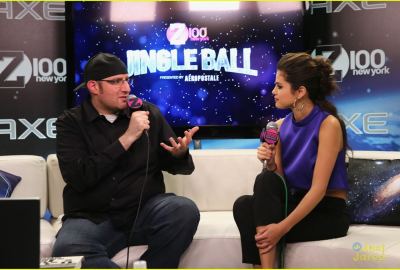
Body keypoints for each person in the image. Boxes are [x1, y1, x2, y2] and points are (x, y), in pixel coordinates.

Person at [52, 52, 200, 268]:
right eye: (115, 82)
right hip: (93, 218)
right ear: (93, 87)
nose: (126, 88)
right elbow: (79, 177)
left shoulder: (147, 112)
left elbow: (180, 167)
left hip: (144, 212)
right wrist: (127, 138)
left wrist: (178, 154)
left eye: (126, 79)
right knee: (67, 249)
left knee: (183, 210)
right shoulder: (71, 123)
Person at [233, 52, 350, 268]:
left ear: (300, 92)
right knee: (244, 204)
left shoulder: (328, 125)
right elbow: (278, 183)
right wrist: (269, 163)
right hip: (294, 201)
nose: (273, 92)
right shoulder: (277, 126)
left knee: (259, 218)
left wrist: (281, 228)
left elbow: (318, 190)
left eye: (279, 86)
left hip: (327, 211)